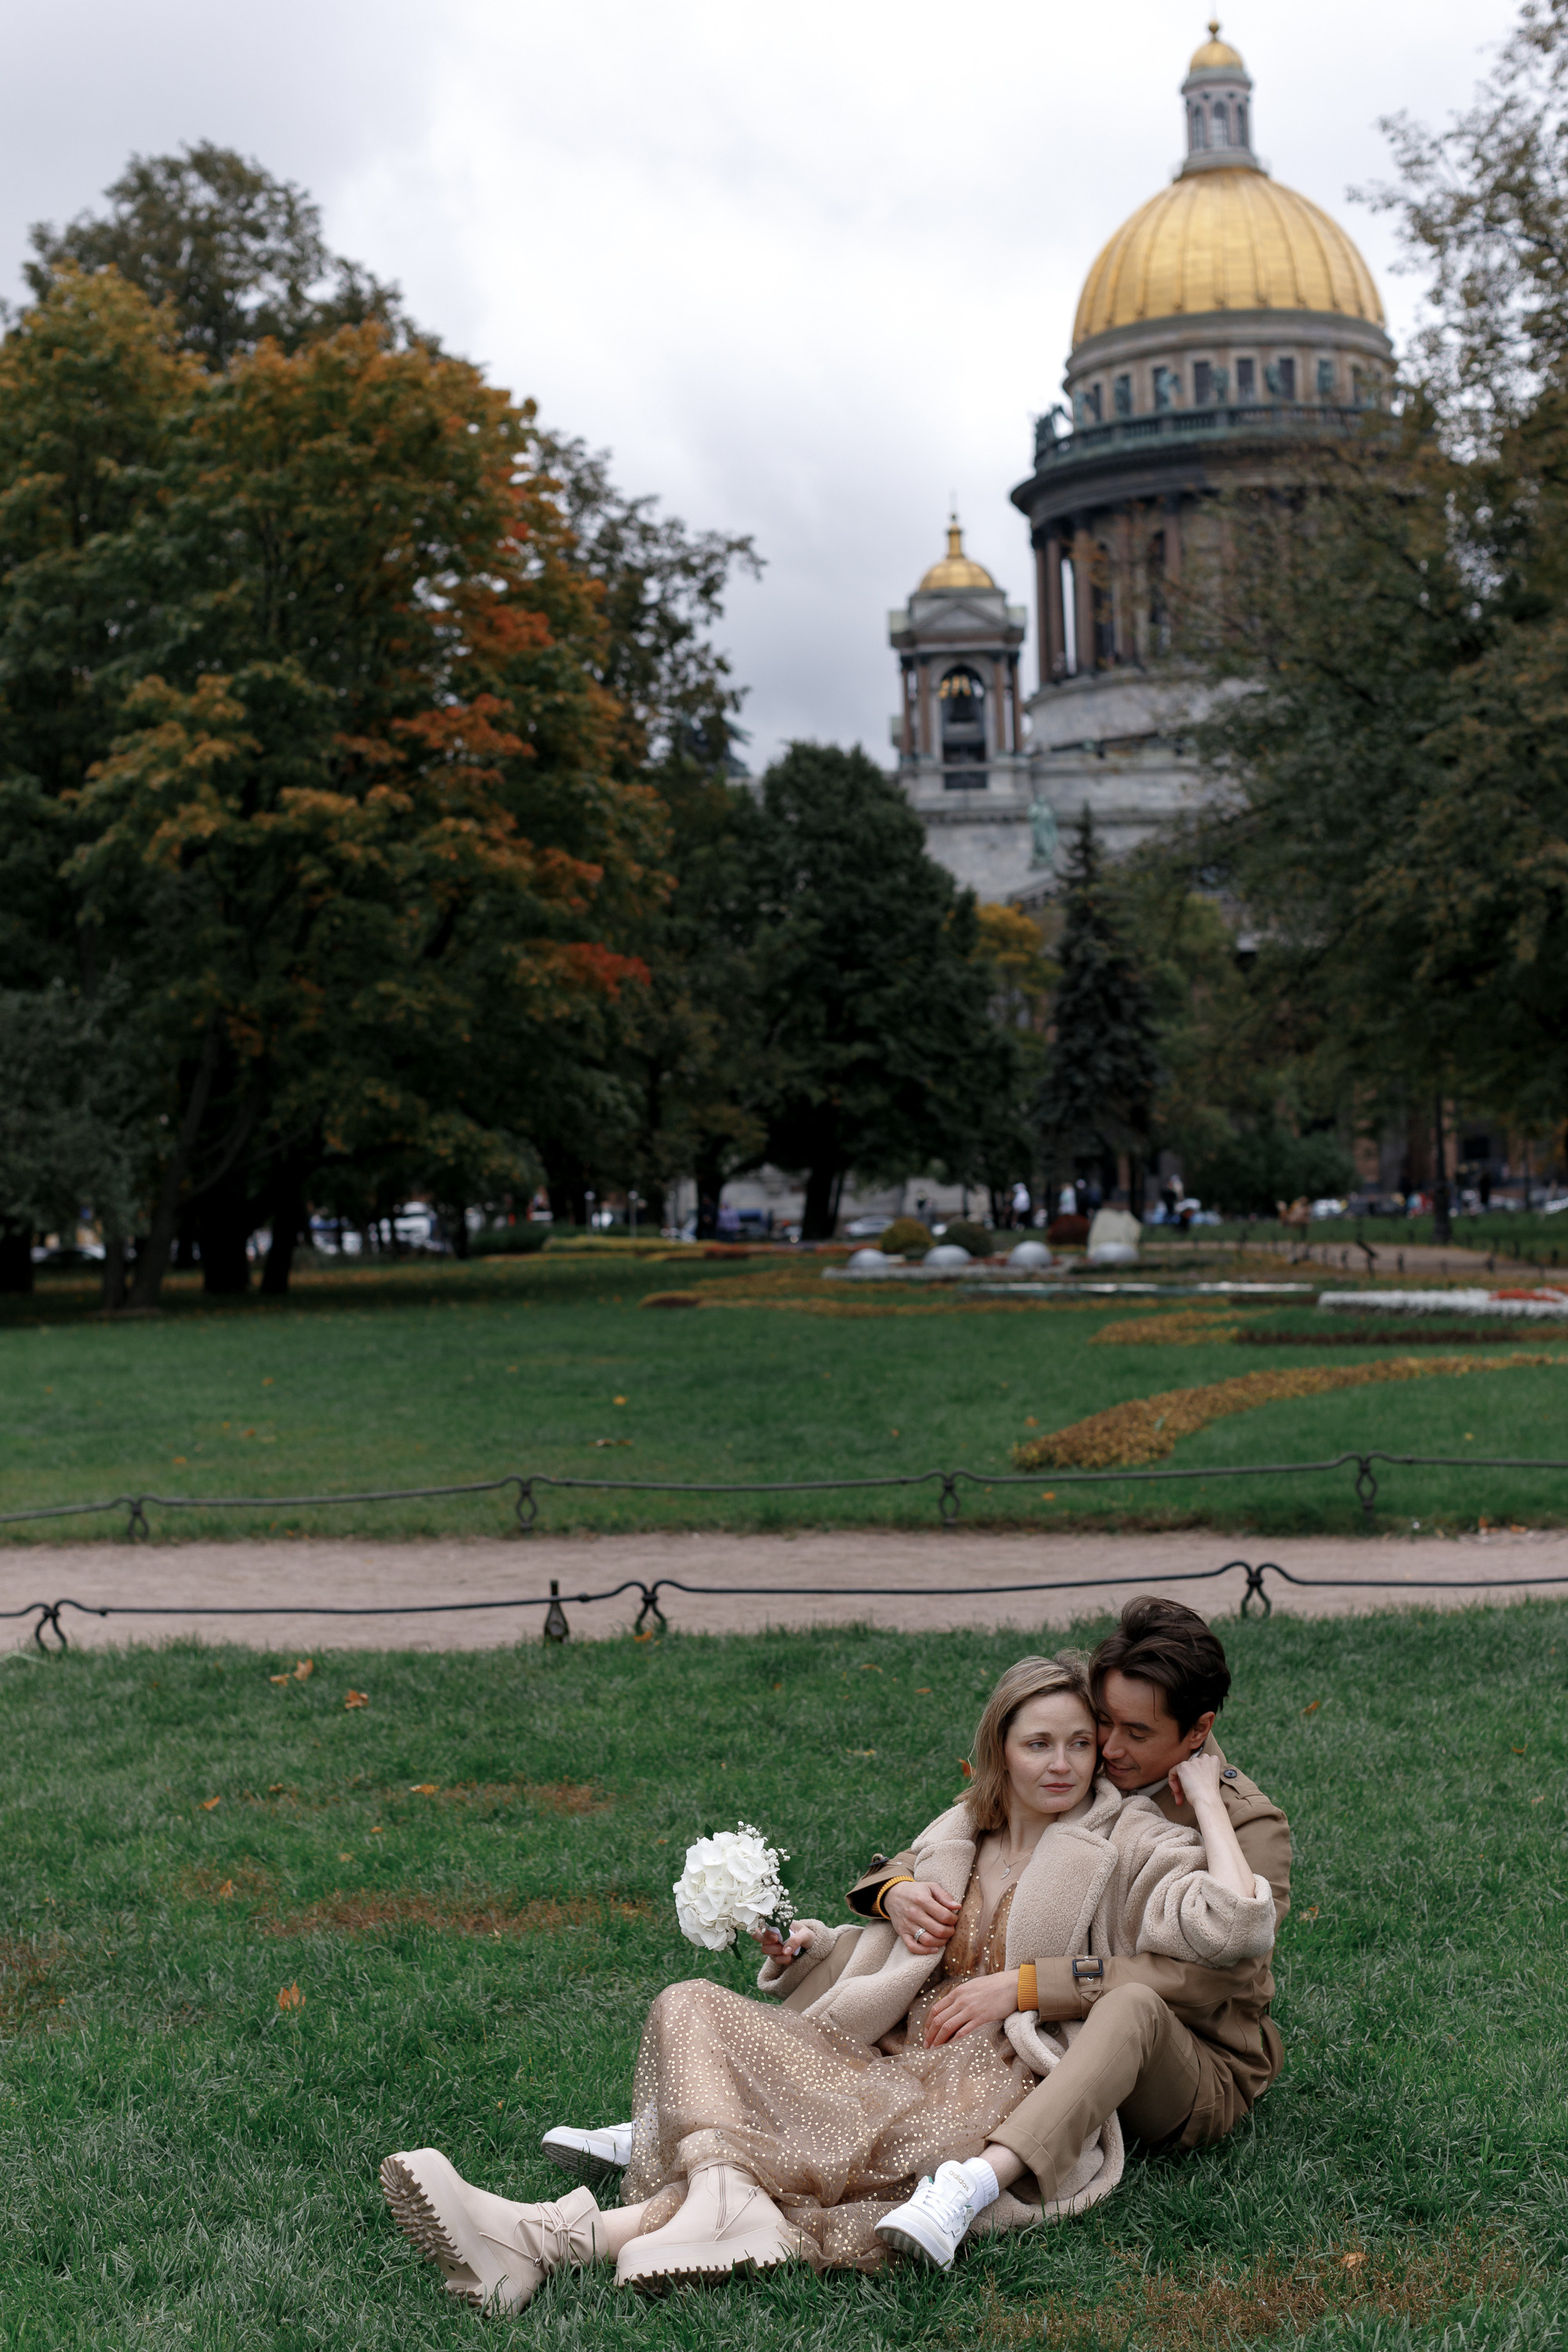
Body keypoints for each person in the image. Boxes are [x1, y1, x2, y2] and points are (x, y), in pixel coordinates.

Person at [380, 1649, 1276, 2307]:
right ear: (997, 1751)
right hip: (880, 2050)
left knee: (810, 2142)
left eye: (1080, 1744)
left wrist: (1201, 1800)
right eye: (1038, 1743)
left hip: (984, 2079)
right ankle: (699, 2204)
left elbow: (1232, 1926)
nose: (1064, 1764)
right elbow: (888, 1950)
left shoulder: (1126, 1839)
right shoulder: (960, 1832)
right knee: (686, 2002)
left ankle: (544, 2235)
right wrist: (816, 1943)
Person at [846, 1599, 1290, 2228]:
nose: (1106, 1748)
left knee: (1132, 2007)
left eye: (1137, 1734)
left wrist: (1030, 1986)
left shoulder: (1248, 1822)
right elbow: (962, 1832)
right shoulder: (1077, 1767)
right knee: (853, 1948)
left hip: (1187, 2061)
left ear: (1197, 1732)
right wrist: (893, 1891)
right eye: (1102, 1722)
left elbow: (1219, 1978)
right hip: (1053, 2038)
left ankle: (972, 2187)